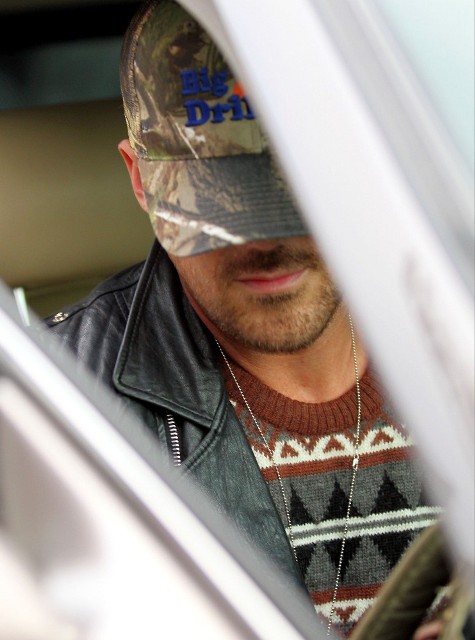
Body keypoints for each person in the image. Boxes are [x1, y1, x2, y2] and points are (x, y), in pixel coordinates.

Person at [45, 0, 447, 637]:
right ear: (140, 181)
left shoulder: (456, 323)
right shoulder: (61, 413)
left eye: (294, 192)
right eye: (216, 205)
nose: (263, 242)